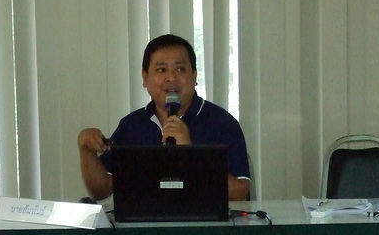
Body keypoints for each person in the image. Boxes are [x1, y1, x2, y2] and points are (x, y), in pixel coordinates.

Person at [78, 34, 251, 202]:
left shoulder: (222, 123)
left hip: (204, 221)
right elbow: (101, 190)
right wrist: (87, 151)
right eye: (161, 70)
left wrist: (190, 153)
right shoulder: (131, 126)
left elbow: (240, 193)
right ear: (145, 78)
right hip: (145, 220)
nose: (171, 78)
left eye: (180, 69)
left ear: (194, 76)